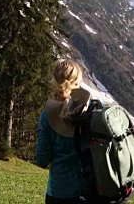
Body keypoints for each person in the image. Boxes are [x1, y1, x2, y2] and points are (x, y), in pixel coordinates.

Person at [36, 59, 92, 204]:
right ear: (77, 84)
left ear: (54, 81)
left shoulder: (48, 114)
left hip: (59, 191)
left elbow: (42, 159)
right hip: (89, 190)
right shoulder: (89, 111)